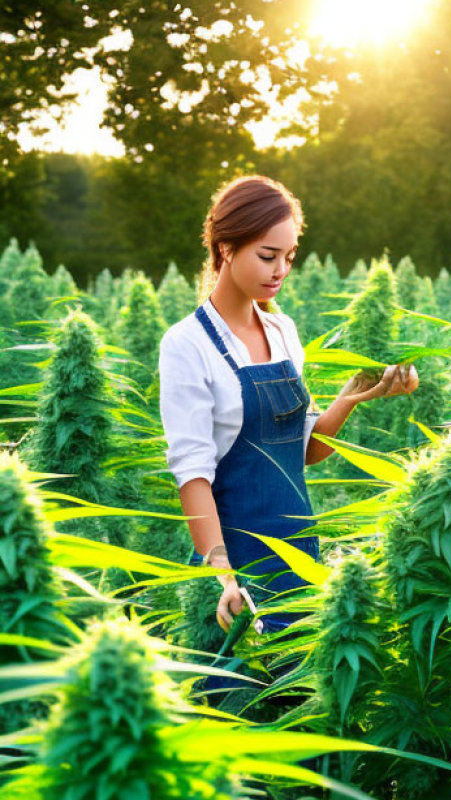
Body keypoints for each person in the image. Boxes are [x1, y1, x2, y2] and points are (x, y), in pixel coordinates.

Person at [159, 175, 417, 634]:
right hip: (235, 565)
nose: (280, 270)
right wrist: (222, 576)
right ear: (225, 248)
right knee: (238, 695)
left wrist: (358, 396)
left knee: (299, 691)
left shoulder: (283, 333)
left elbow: (303, 452)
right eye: (267, 255)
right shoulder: (187, 344)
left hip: (299, 553)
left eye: (289, 258)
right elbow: (192, 473)